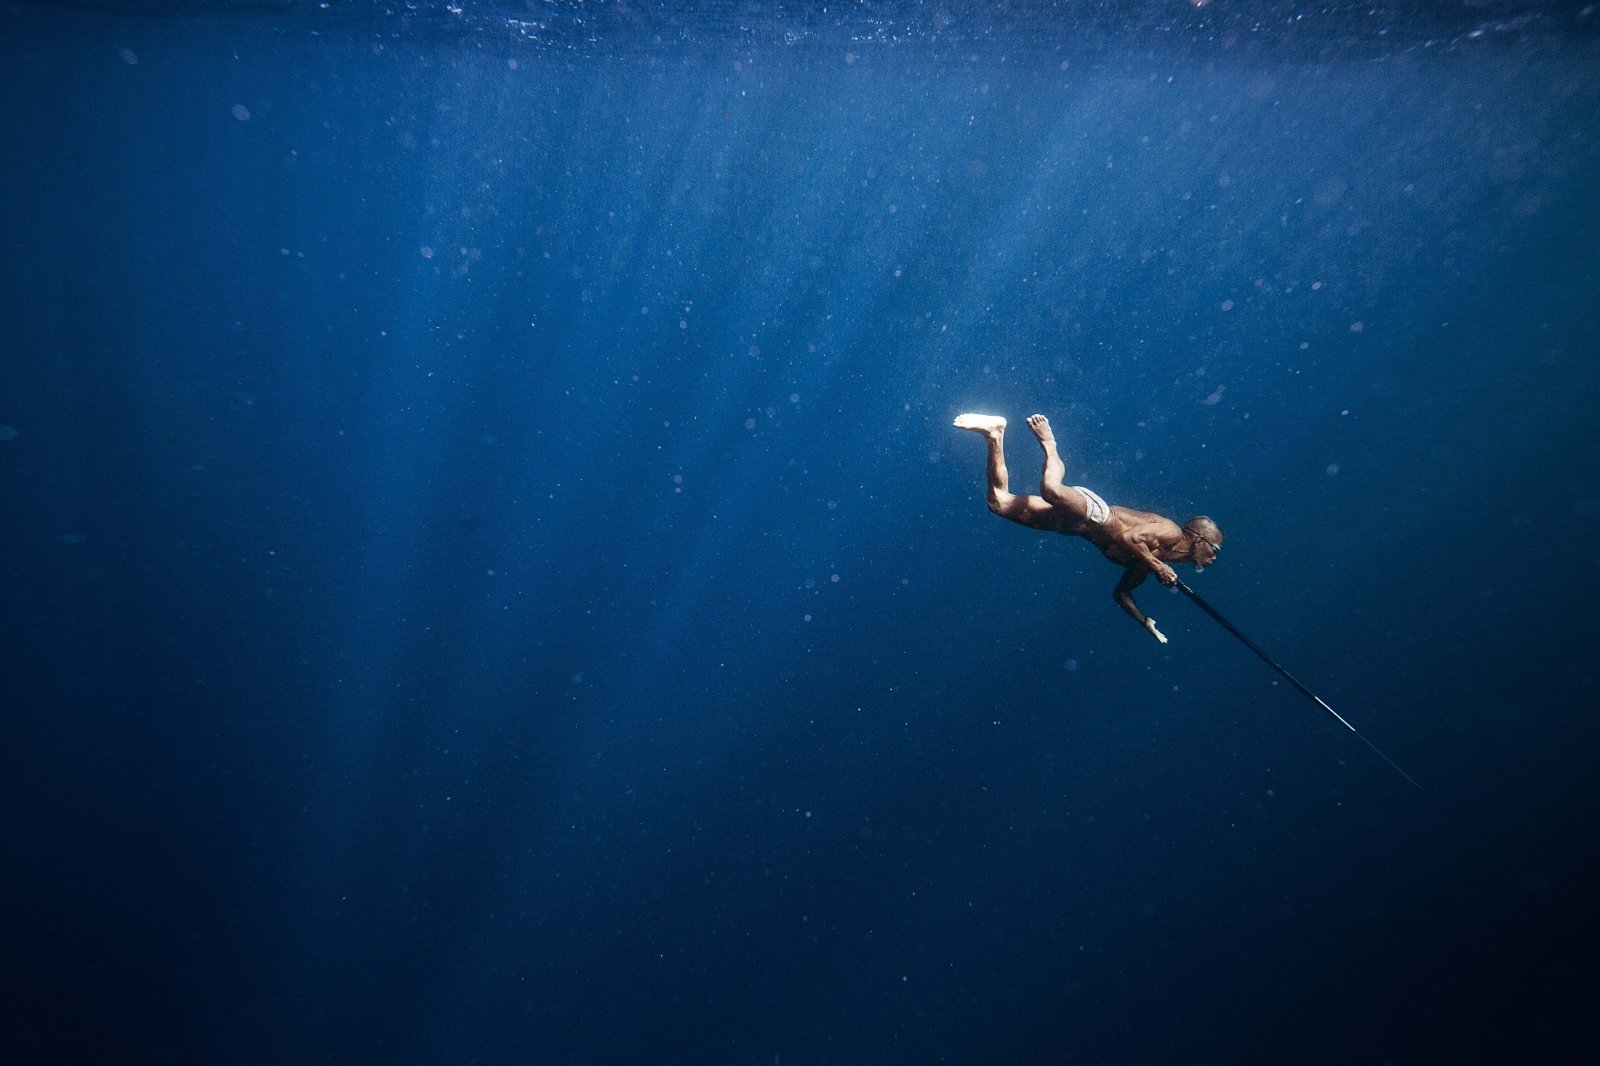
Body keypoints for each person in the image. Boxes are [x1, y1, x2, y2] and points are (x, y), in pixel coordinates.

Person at [953, 412, 1223, 644]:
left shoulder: (1145, 564)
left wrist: (1144, 620)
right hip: (1096, 513)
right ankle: (1050, 444)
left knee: (998, 502)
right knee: (1051, 490)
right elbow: (1130, 537)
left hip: (1074, 527)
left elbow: (1121, 593)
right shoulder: (1172, 534)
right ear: (1200, 539)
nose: (1213, 558)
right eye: (1214, 550)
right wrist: (1158, 567)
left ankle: (994, 434)